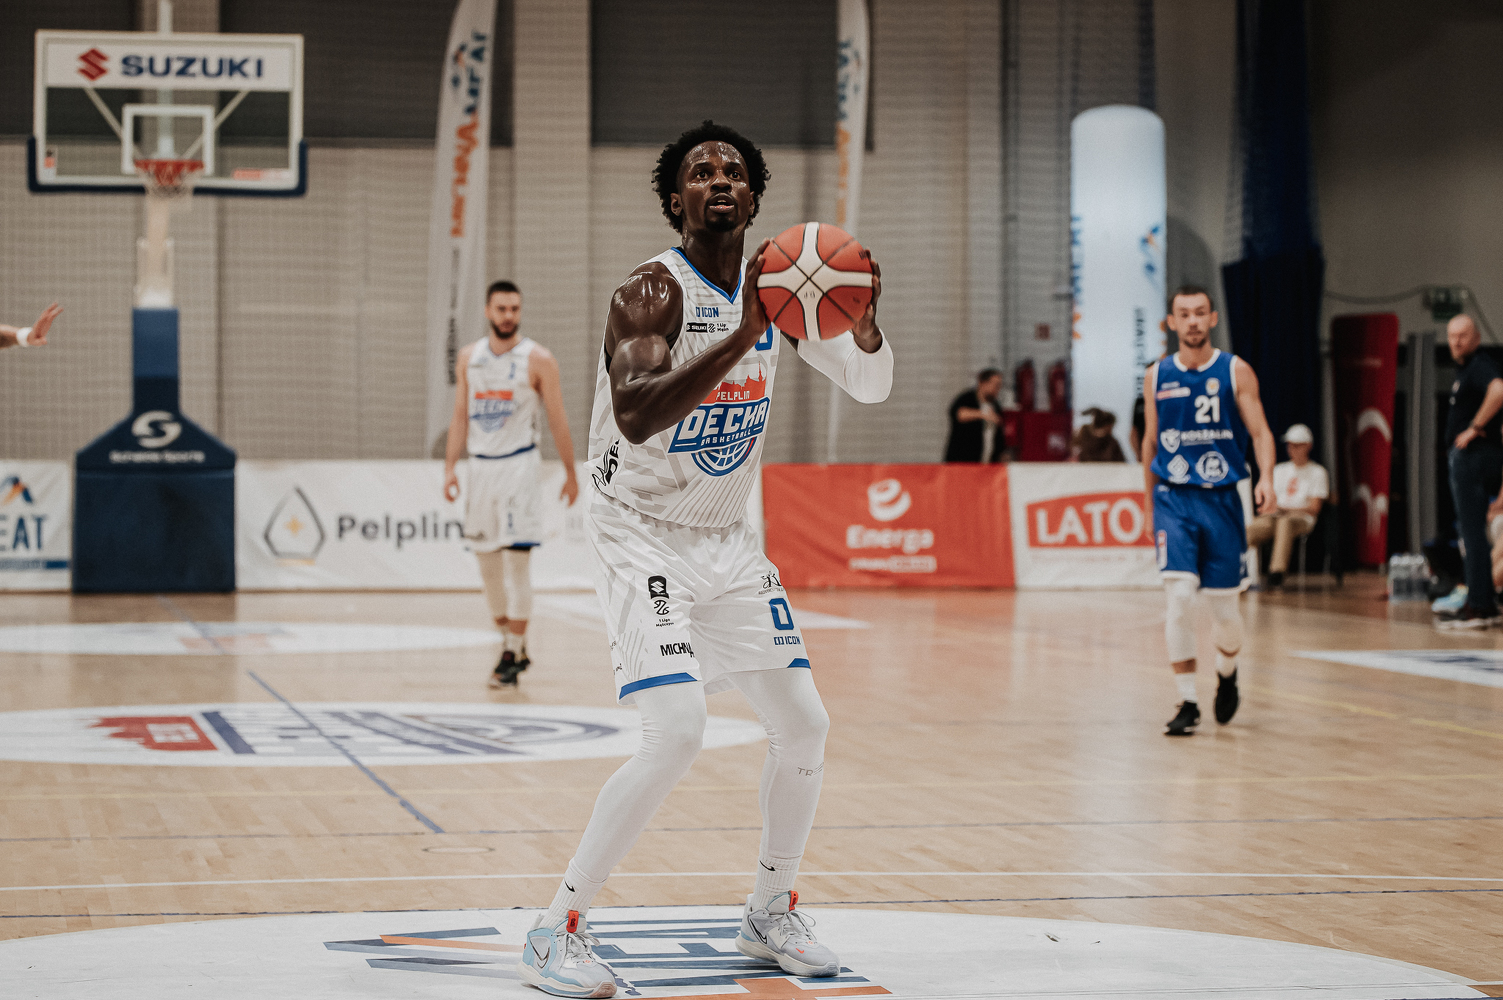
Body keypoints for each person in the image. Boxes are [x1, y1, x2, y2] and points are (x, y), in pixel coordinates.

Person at [516, 121, 893, 998]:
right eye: (699, 172)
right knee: (677, 730)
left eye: (732, 171)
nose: (718, 180)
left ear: (753, 197)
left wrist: (864, 327)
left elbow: (869, 386)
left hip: (726, 538)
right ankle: (554, 928)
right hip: (638, 531)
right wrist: (741, 335)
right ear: (674, 199)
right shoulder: (650, 292)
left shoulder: (780, 289)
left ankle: (768, 910)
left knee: (803, 726)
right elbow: (639, 410)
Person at [1142, 285, 1276, 736]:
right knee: (1179, 598)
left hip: (1222, 499)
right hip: (1174, 498)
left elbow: (1260, 433)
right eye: (1184, 314)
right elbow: (1150, 442)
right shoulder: (1157, 375)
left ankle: (1227, 671)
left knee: (1226, 612)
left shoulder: (1235, 370)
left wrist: (1267, 479)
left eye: (1200, 312)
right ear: (1172, 322)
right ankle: (1187, 700)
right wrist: (1148, 504)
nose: (1193, 321)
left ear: (1213, 318)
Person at [443, 281, 580, 687]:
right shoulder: (469, 358)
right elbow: (460, 416)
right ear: (488, 311)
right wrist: (450, 468)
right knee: (487, 568)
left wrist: (571, 472)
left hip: (519, 467)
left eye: (514, 309)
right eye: (501, 309)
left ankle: (511, 651)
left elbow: (557, 418)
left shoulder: (539, 359)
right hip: (480, 469)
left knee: (517, 565)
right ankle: (511, 642)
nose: (508, 316)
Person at [1435, 314, 1503, 628]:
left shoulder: (1479, 365)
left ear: (1476, 338)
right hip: (1474, 457)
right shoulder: (1465, 371)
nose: (1456, 342)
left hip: (1472, 458)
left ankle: (1478, 605)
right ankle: (1483, 600)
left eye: (1463, 336)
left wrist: (1474, 427)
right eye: (1452, 336)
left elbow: (1499, 390)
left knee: (1471, 532)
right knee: (1473, 533)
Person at [1247, 423, 1328, 588]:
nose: (1292, 450)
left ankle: (1276, 573)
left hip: (1302, 518)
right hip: (1275, 516)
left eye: (1297, 446)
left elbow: (1314, 508)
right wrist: (1268, 509)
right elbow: (1270, 500)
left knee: (1285, 522)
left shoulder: (1317, 472)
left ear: (1308, 446)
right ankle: (1231, 566)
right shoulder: (1279, 470)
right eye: (1290, 445)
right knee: (1251, 527)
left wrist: (1287, 509)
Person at [944, 368, 1005, 462]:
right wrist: (982, 414)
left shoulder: (996, 406)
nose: (997, 389)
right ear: (982, 383)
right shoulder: (968, 398)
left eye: (999, 385)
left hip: (985, 462)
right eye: (995, 384)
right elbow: (959, 414)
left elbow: (997, 437)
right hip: (962, 461)